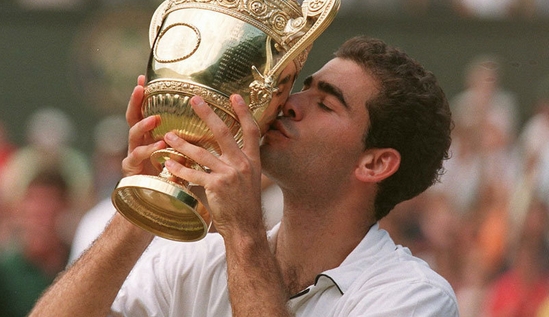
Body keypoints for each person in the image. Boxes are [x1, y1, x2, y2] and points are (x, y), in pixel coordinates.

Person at [29, 36, 458, 316]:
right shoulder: (191, 264)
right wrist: (147, 201)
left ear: (374, 164)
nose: (290, 102)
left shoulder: (412, 298)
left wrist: (243, 230)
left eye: (326, 104)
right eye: (304, 87)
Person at [0, 170, 71, 317]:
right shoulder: (6, 271)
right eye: (33, 201)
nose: (40, 212)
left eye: (49, 201)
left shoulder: (79, 257)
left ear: (64, 206)